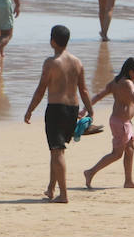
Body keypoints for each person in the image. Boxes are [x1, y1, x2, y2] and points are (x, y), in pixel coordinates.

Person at [22, 24, 95, 204]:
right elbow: (84, 90)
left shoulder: (51, 63)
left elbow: (41, 90)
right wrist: (90, 110)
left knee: (57, 152)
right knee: (58, 150)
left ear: (52, 41)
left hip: (56, 109)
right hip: (73, 109)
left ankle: (63, 195)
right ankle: (51, 188)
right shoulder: (77, 62)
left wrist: (30, 109)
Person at [83, 57, 134, 189]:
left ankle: (128, 181)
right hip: (120, 123)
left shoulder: (115, 82)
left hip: (124, 122)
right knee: (117, 154)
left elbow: (99, 95)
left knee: (130, 149)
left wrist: (85, 109)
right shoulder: (127, 83)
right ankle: (90, 172)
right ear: (130, 71)